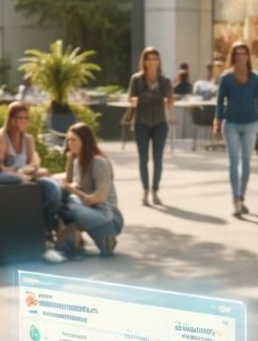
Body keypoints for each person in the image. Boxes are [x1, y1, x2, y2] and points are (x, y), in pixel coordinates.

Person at [0, 103, 66, 261]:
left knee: (53, 186)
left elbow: (33, 163)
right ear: (12, 119)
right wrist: (20, 173)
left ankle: (47, 227)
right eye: (21, 118)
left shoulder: (28, 139)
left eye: (27, 118)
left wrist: (29, 171)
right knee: (22, 181)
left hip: (24, 175)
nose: (25, 121)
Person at [213, 40, 258, 218]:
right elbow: (220, 100)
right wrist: (217, 119)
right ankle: (235, 198)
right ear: (233, 56)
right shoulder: (226, 78)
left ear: (248, 56)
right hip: (231, 124)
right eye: (238, 53)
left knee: (246, 162)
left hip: (251, 123)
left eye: (244, 53)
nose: (241, 56)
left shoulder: (256, 78)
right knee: (233, 162)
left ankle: (242, 196)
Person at [57, 122, 123, 256]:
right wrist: (69, 159)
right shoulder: (77, 160)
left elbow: (97, 199)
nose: (70, 143)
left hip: (108, 214)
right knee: (57, 199)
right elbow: (69, 182)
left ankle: (81, 238)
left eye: (74, 140)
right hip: (88, 208)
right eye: (68, 140)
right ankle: (76, 239)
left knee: (67, 207)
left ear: (85, 141)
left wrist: (71, 189)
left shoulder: (98, 162)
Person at [128, 46, 174, 207]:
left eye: (155, 58)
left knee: (158, 159)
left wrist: (171, 117)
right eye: (149, 58)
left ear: (159, 61)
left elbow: (169, 100)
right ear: (144, 61)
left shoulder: (165, 80)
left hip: (160, 123)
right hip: (141, 123)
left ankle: (155, 190)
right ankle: (145, 190)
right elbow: (131, 99)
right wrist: (152, 98)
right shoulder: (137, 79)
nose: (152, 61)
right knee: (143, 159)